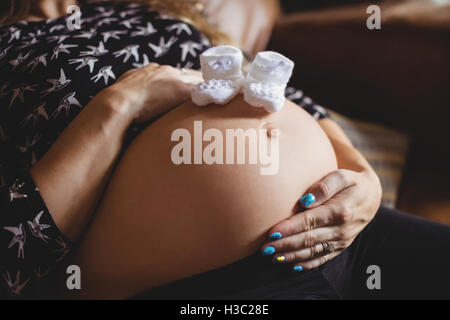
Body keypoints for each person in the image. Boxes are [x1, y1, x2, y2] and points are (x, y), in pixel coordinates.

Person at [0, 0, 448, 299]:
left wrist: (363, 178)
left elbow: (289, 96)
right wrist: (121, 103)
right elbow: (13, 256)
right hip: (215, 283)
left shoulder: (148, 12)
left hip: (348, 232)